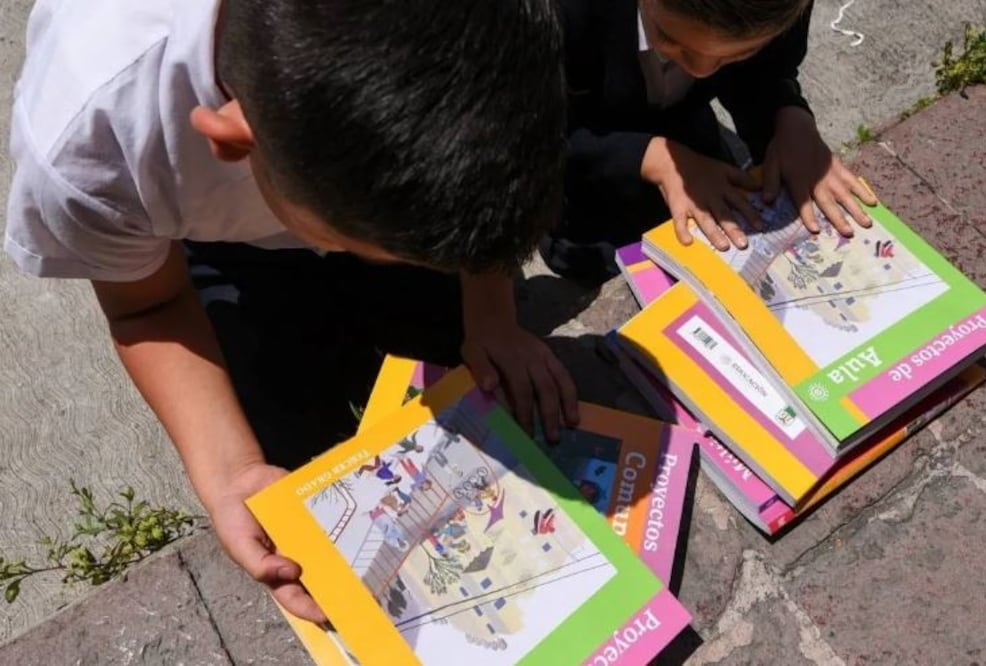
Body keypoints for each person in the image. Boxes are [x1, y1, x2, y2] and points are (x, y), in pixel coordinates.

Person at [4, 0, 575, 623]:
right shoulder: (91, 149)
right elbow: (150, 306)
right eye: (373, 253)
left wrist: (491, 314)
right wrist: (231, 472)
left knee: (446, 354)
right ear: (230, 146)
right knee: (294, 431)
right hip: (223, 250)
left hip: (330, 184)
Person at [543, 0, 879, 280]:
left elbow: (765, 73)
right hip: (586, 198)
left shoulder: (777, 7)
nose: (702, 71)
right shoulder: (551, 15)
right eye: (670, 38)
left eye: (736, 53)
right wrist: (650, 157)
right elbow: (533, 134)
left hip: (696, 144)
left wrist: (787, 115)